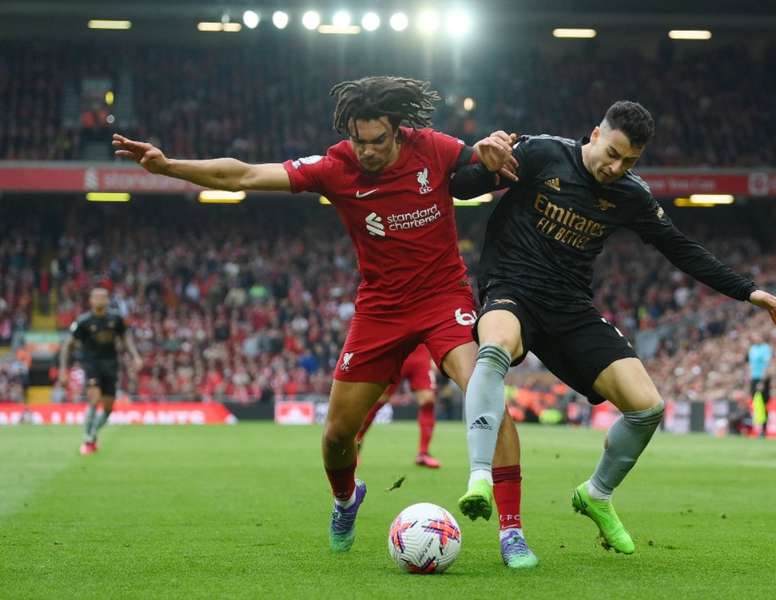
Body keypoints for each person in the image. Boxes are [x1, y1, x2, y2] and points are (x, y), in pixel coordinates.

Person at [112, 76, 538, 568]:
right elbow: (244, 176)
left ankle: (512, 534)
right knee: (337, 435)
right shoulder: (338, 166)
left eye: (377, 141)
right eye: (359, 140)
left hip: (444, 298)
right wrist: (169, 167)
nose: (368, 151)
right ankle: (345, 500)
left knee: (484, 390)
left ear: (398, 132)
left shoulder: (434, 149)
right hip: (380, 309)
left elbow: (487, 160)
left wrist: (494, 146)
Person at [450, 100, 776, 555]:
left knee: (647, 407)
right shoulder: (541, 153)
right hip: (511, 289)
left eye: (629, 161)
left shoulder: (631, 194)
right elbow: (462, 185)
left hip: (570, 309)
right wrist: (481, 159)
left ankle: (597, 494)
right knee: (493, 349)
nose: (616, 167)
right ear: (594, 134)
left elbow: (681, 249)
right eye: (612, 153)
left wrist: (748, 291)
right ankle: (479, 479)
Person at [59, 287, 142, 455]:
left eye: (103, 297)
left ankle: (92, 433)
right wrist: (63, 369)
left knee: (108, 408)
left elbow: (125, 337)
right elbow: (67, 346)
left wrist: (135, 356)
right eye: (96, 297)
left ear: (107, 300)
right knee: (94, 398)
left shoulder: (116, 318)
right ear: (90, 300)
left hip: (111, 365)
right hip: (92, 364)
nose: (100, 300)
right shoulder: (83, 321)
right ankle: (88, 439)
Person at [356, 344, 441, 468]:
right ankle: (355, 446)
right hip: (397, 352)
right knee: (378, 401)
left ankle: (423, 453)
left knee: (428, 400)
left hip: (421, 355)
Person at [748, 333, 773, 438]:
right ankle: (758, 427)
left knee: (763, 404)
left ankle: (763, 429)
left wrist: (762, 381)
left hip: (761, 378)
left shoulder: (765, 348)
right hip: (754, 378)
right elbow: (750, 365)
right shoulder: (752, 349)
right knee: (756, 404)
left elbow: (767, 365)